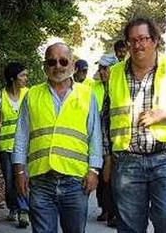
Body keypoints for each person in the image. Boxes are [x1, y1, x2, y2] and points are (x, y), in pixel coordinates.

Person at [103, 17, 166, 233]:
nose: (138, 45)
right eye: (132, 41)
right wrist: (107, 157)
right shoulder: (115, 74)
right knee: (129, 226)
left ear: (155, 40)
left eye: (143, 39)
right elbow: (106, 118)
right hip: (127, 161)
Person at [13, 42, 102, 233]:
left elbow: (95, 135)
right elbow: (21, 136)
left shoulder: (87, 95)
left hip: (75, 181)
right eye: (52, 62)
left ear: (72, 65)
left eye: (63, 61)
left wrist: (94, 170)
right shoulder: (32, 95)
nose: (58, 66)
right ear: (45, 67)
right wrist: (19, 172)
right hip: (41, 180)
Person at [0, 61, 30, 227]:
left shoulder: (28, 94)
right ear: (13, 78)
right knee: (9, 181)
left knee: (21, 177)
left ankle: (23, 211)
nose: (25, 78)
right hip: (5, 147)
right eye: (23, 75)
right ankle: (13, 207)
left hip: (23, 147)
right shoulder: (1, 95)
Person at [93, 54, 119, 228]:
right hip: (103, 145)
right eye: (100, 68)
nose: (101, 72)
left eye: (105, 68)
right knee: (104, 181)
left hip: (120, 146)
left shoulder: (119, 89)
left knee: (114, 181)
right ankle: (107, 210)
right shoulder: (100, 89)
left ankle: (115, 213)